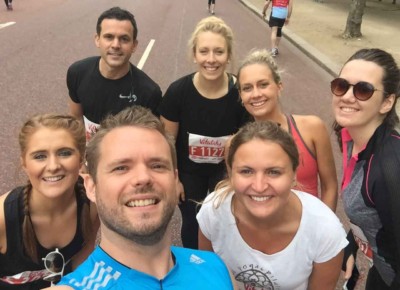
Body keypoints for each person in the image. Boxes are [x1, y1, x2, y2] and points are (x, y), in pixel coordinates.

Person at [47, 106, 236, 289]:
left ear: (175, 179)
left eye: (157, 165)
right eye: (121, 168)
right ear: (91, 186)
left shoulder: (216, 267)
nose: (143, 178)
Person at [197, 121, 348, 289]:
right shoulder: (214, 210)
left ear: (294, 175)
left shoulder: (325, 230)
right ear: (231, 173)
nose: (259, 186)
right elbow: (209, 279)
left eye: (274, 172)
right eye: (246, 171)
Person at [159, 16, 249, 249]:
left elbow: (248, 142)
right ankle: (194, 269)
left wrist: (236, 177)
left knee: (226, 221)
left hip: (224, 171)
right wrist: (174, 179)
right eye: (204, 51)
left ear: (228, 55)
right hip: (189, 173)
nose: (211, 59)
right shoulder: (178, 92)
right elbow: (167, 140)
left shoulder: (240, 92)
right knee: (192, 223)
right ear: (194, 54)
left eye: (219, 52)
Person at [0, 114, 99, 289]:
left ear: (81, 158)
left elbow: (81, 266)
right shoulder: (3, 218)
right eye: (39, 156)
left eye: (65, 153)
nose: (53, 166)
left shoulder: (91, 203)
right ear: (24, 163)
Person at [236, 49, 338, 211]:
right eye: (247, 88)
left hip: (308, 231)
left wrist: (324, 229)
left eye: (263, 85)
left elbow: (330, 186)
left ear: (279, 86)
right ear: (241, 95)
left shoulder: (312, 129)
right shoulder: (235, 144)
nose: (256, 94)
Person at [332, 48, 400, 289]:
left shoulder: (389, 169)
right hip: (382, 269)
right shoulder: (349, 136)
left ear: (387, 102)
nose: (348, 96)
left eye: (363, 90)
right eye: (342, 86)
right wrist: (351, 243)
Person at [67, 6, 162, 141]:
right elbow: (76, 118)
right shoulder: (77, 72)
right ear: (97, 39)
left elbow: (148, 141)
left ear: (134, 45)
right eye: (109, 37)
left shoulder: (149, 92)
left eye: (124, 39)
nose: (116, 45)